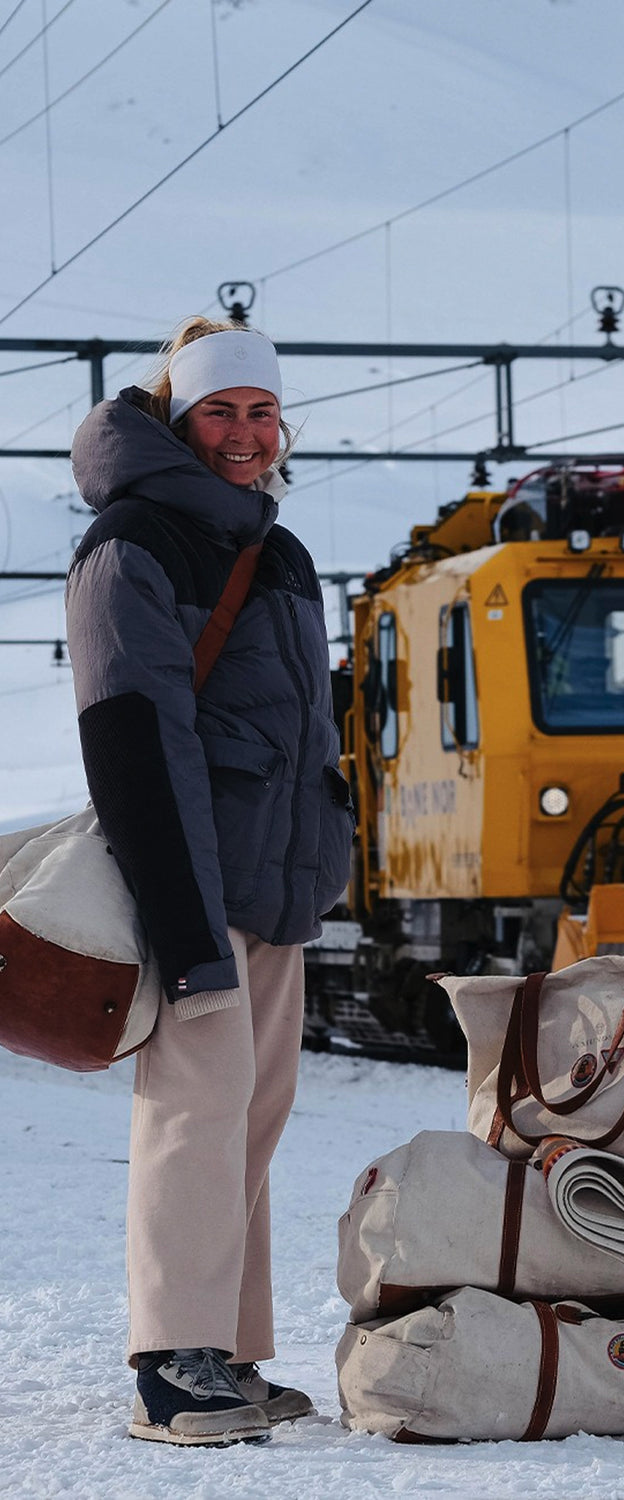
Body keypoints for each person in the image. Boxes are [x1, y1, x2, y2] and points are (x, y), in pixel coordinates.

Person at [65, 317, 355, 1445]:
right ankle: (167, 1362)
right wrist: (179, 918)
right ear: (179, 419)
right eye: (221, 412)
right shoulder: (132, 540)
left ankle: (226, 1353)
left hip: (271, 887)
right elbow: (132, 735)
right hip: (188, 882)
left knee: (249, 1117)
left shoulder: (274, 551)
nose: (244, 433)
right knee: (192, 1112)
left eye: (261, 411)